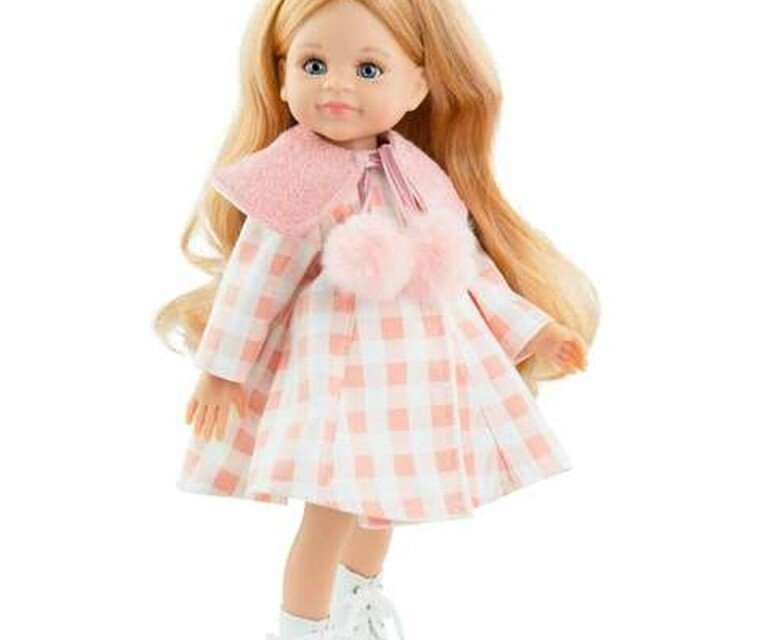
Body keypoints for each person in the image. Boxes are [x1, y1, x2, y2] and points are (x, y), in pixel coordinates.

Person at [154, 1, 598, 638]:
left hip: (411, 376)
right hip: (338, 373)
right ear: (281, 77)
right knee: (330, 511)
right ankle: (303, 629)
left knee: (384, 504)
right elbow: (255, 282)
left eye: (368, 69)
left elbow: (469, 270)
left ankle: (354, 608)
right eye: (314, 65)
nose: (336, 85)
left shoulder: (416, 173)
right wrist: (221, 371)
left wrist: (536, 330)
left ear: (417, 86)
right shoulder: (296, 176)